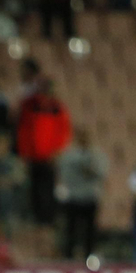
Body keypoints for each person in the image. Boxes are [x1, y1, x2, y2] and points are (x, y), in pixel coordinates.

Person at [15, 77, 71, 224]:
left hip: (50, 157)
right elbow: (24, 131)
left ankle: (48, 219)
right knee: (34, 188)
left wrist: (58, 152)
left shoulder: (57, 107)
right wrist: (24, 153)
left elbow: (63, 131)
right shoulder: (29, 105)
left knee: (48, 188)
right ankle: (36, 218)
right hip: (33, 156)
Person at [57, 129, 107, 258]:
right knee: (71, 229)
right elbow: (64, 174)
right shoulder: (69, 155)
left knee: (90, 230)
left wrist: (90, 169)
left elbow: (102, 173)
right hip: (73, 197)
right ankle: (69, 256)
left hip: (90, 197)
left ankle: (89, 256)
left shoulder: (96, 154)